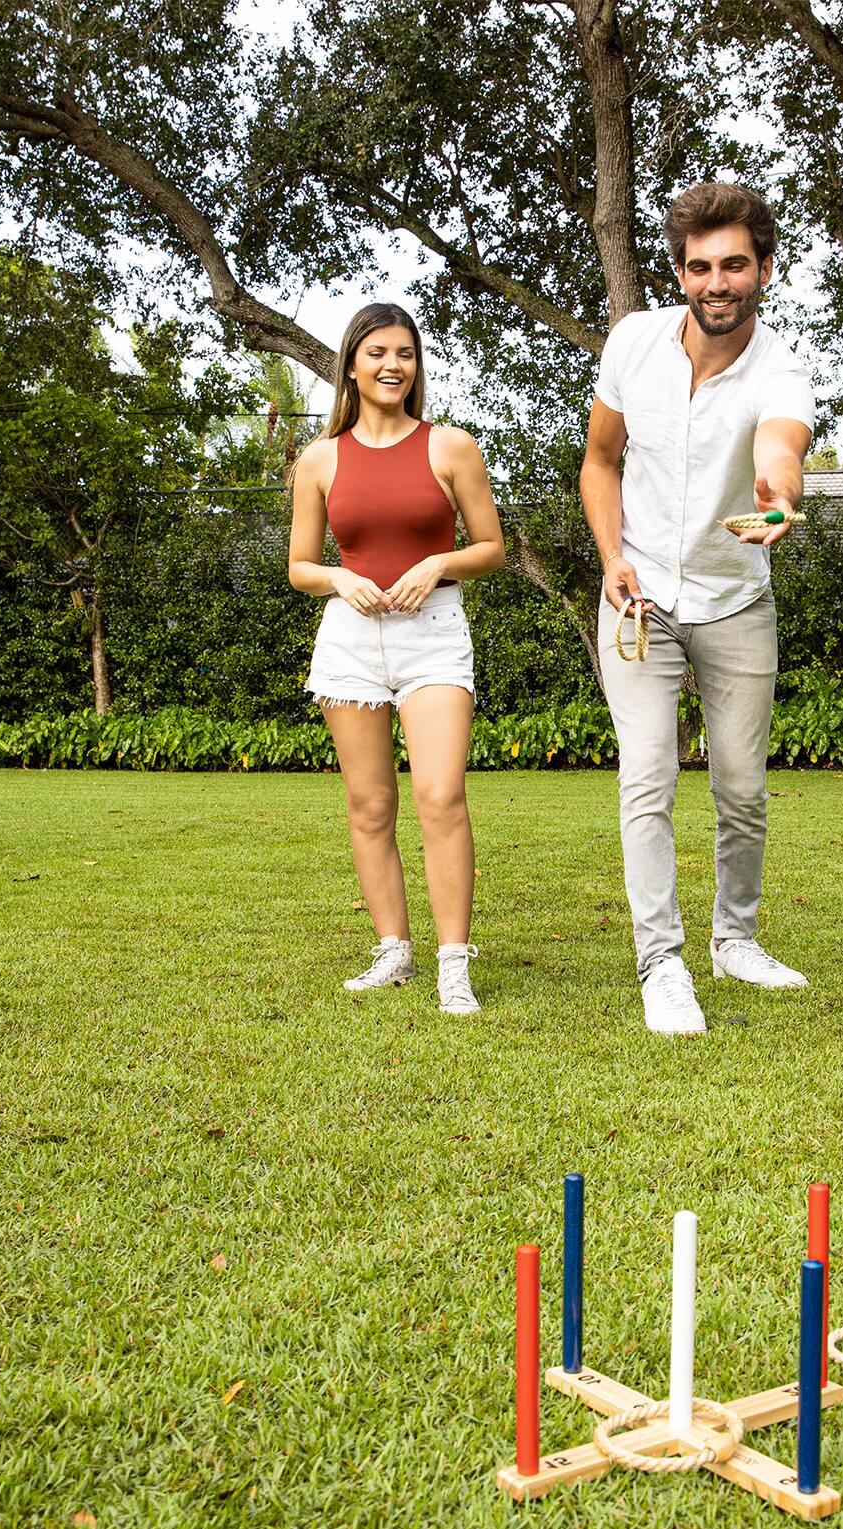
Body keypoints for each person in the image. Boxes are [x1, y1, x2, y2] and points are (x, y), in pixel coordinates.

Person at [580, 183, 814, 1036]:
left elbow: (780, 449)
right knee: (647, 779)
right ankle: (662, 962)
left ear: (763, 269)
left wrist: (780, 498)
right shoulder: (633, 343)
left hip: (733, 602)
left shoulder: (781, 367)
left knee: (742, 788)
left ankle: (734, 940)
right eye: (701, 266)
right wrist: (611, 559)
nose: (717, 282)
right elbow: (600, 463)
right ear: (680, 272)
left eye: (735, 266)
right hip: (637, 598)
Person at [288, 303, 504, 1015]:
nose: (392, 365)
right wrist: (338, 577)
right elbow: (299, 566)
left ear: (416, 366)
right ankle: (393, 951)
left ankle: (453, 963)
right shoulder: (319, 459)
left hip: (433, 632)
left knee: (440, 795)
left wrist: (439, 562)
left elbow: (491, 549)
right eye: (377, 352)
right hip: (350, 636)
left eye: (405, 353)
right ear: (351, 363)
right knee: (370, 803)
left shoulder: (450, 447)